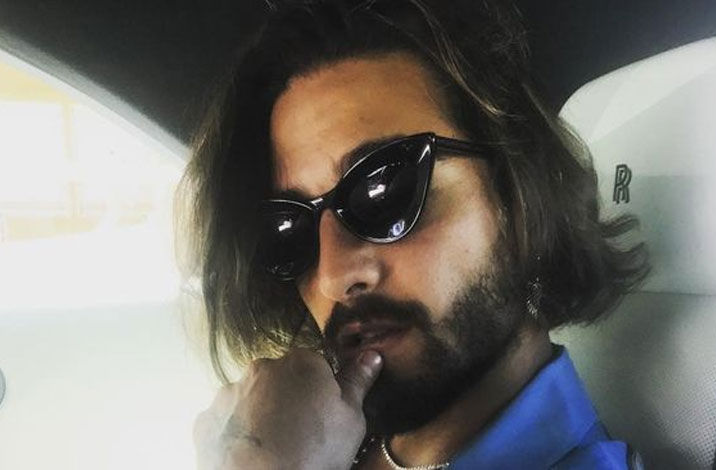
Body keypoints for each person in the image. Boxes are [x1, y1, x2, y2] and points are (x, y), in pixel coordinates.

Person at [180, 0, 649, 468]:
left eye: (385, 190)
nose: (333, 276)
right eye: (290, 228)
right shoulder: (323, 436)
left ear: (516, 192)